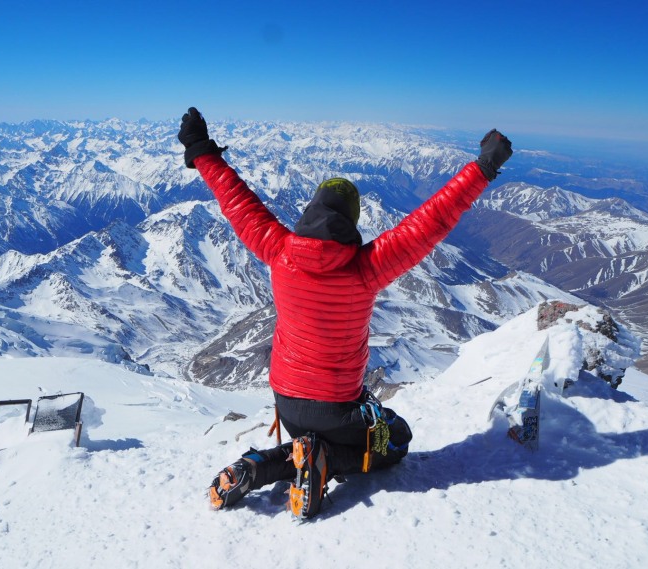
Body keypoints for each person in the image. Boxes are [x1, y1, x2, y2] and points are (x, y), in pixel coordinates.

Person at [178, 107, 512, 519]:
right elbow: (431, 221)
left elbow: (237, 201)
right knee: (397, 439)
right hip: (337, 406)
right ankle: (324, 462)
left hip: (287, 401)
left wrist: (201, 151)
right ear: (351, 221)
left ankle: (260, 466)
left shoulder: (278, 250)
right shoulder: (367, 268)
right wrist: (482, 168)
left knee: (314, 441)